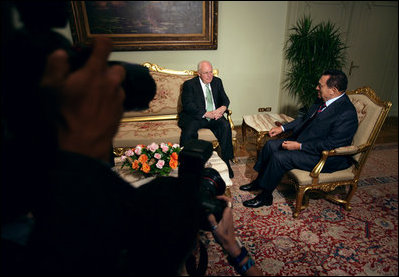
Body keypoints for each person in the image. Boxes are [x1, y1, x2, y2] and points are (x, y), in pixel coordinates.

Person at [239, 69, 358, 208]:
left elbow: (331, 144)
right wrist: (282, 128)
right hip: (308, 144)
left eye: (321, 85)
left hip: (326, 157)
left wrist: (299, 146)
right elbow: (305, 118)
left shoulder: (346, 113)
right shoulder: (323, 99)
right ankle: (259, 182)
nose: (317, 87)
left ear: (333, 90)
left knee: (279, 157)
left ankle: (265, 197)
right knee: (270, 145)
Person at [178, 60, 235, 178]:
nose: (210, 76)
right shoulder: (189, 84)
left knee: (225, 126)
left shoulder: (217, 82)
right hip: (197, 116)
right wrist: (205, 113)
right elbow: (188, 105)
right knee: (188, 131)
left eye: (211, 72)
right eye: (206, 73)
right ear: (199, 73)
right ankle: (189, 164)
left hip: (215, 115)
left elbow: (225, 99)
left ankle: (226, 161)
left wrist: (222, 108)